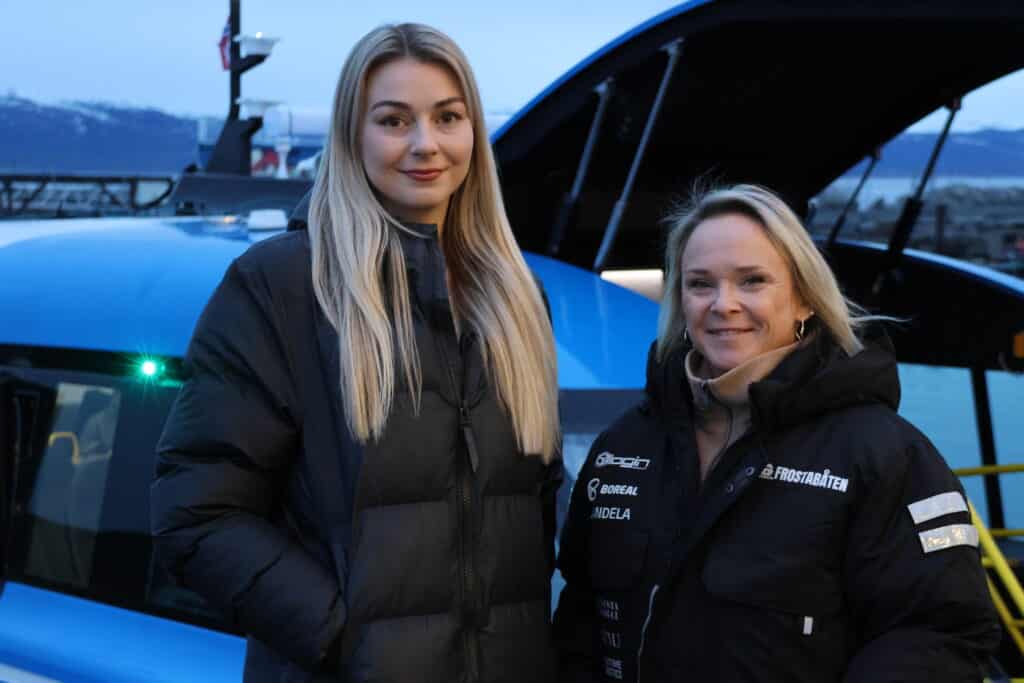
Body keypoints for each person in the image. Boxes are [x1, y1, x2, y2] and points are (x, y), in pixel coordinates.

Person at [151, 23, 561, 683]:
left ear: (472, 133)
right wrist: (347, 635)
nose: (426, 144)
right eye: (394, 120)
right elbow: (197, 516)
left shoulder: (515, 293)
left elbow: (534, 500)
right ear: (352, 136)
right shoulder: (282, 287)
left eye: (447, 117)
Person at [553, 184, 1000, 682]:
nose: (723, 304)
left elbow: (939, 634)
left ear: (805, 300)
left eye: (752, 281)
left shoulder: (887, 456)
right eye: (700, 284)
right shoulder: (623, 445)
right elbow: (580, 622)